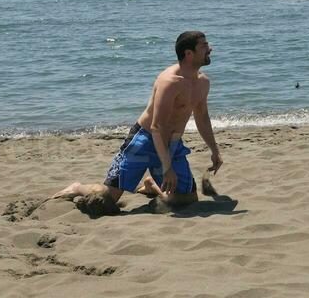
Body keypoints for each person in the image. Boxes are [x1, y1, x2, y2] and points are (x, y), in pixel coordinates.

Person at [53, 31, 223, 211]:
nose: (210, 48)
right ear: (189, 53)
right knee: (108, 198)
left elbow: (202, 117)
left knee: (187, 199)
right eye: (204, 46)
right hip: (145, 139)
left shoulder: (202, 82)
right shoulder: (170, 81)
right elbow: (157, 126)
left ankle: (151, 185)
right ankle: (78, 187)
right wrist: (167, 168)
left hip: (172, 143)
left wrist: (214, 150)